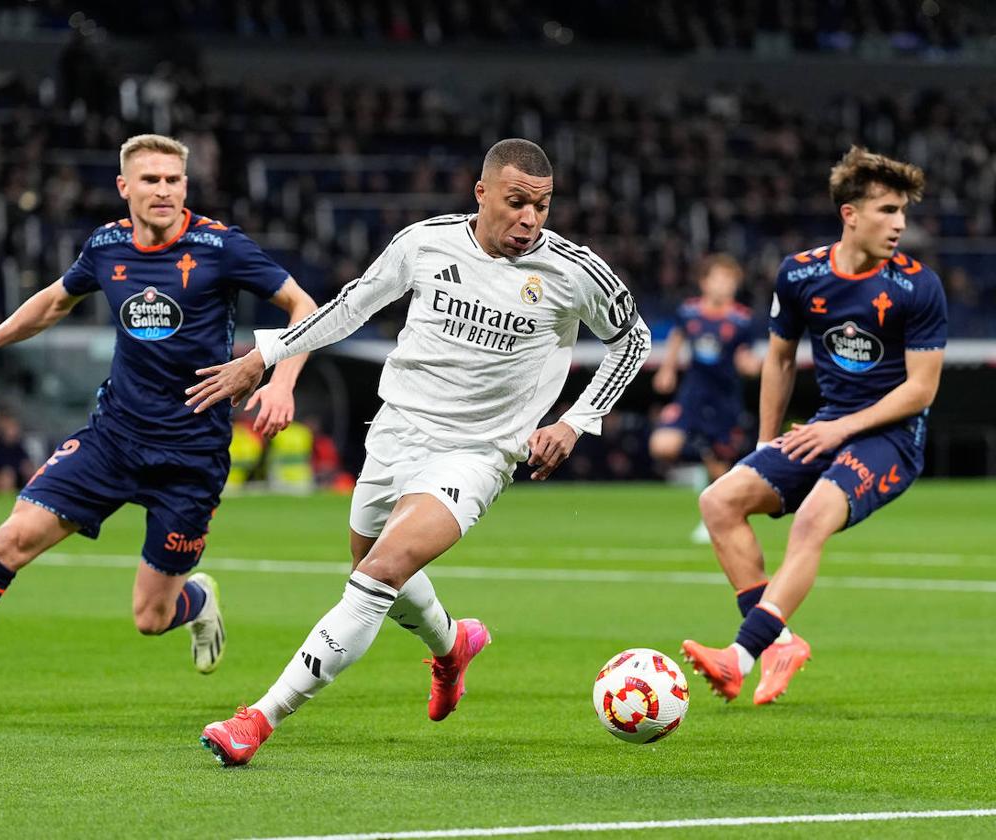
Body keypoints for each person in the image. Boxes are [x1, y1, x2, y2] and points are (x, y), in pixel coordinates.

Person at [185, 138, 652, 766]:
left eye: (541, 206)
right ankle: (453, 644)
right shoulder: (424, 243)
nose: (530, 219)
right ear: (481, 193)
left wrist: (575, 421)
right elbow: (349, 307)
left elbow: (634, 338)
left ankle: (257, 719)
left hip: (480, 452)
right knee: (380, 569)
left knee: (375, 574)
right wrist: (260, 358)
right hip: (397, 432)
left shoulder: (573, 271)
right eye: (516, 203)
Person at [0, 134, 318, 713]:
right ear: (124, 187)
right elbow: (55, 301)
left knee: (150, 616)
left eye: (173, 180)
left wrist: (279, 381)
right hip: (113, 439)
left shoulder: (220, 245)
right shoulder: (106, 246)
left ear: (185, 185)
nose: (163, 191)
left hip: (191, 456)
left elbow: (304, 307)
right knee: (12, 538)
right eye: (151, 180)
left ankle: (197, 600)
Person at [681, 147, 946, 705]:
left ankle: (740, 655)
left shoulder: (918, 286)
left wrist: (840, 428)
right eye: (887, 211)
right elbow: (779, 360)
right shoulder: (800, 272)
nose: (899, 224)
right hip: (825, 427)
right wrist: (763, 444)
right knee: (719, 502)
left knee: (812, 520)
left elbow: (921, 389)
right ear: (850, 213)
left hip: (892, 438)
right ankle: (779, 642)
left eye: (903, 212)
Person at [649, 254, 760, 542]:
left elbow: (744, 355)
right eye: (719, 279)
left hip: (724, 399)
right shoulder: (689, 312)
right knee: (662, 445)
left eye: (730, 281)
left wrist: (752, 366)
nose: (725, 285)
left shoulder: (741, 319)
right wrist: (668, 368)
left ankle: (713, 519)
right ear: (704, 282)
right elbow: (678, 335)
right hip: (693, 395)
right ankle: (702, 458)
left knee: (719, 468)